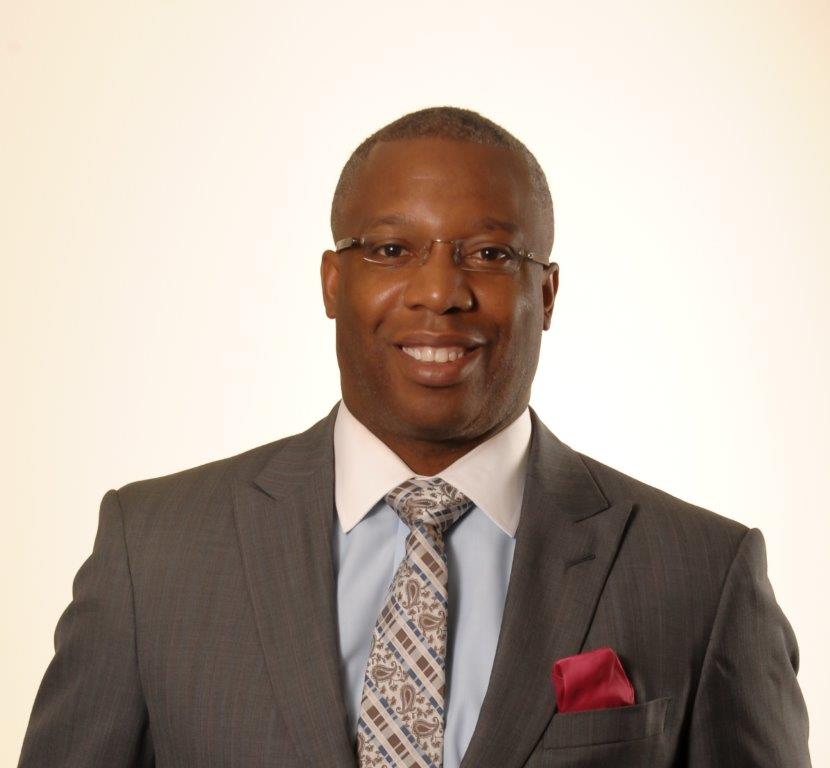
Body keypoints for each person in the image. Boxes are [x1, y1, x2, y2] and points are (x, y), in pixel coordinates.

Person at [17, 106, 811, 768]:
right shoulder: (153, 554)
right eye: (392, 250)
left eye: (489, 253)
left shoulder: (702, 575)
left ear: (546, 293)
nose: (439, 292)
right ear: (333, 282)